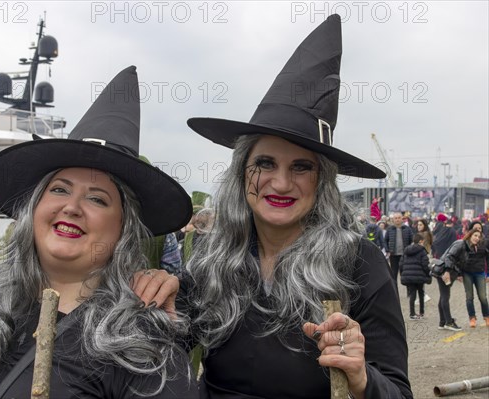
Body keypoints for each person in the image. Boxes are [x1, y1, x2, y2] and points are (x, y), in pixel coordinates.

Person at [174, 15, 411, 398]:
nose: (281, 183)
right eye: (265, 164)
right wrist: (154, 296)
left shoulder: (360, 265)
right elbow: (153, 358)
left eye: (301, 167)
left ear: (323, 182)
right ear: (242, 173)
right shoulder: (210, 258)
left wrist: (362, 377)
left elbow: (398, 393)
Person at [0, 67, 198, 398]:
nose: (73, 206)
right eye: (60, 190)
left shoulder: (144, 348)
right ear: (33, 210)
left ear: (123, 229)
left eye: (97, 198)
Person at [457, 229, 489, 328]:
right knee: (469, 297)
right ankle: (472, 317)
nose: (477, 238)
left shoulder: (483, 246)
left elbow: (488, 259)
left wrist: (488, 274)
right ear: (470, 235)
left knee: (483, 297)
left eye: (478, 237)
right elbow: (459, 260)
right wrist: (459, 274)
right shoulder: (463, 246)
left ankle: (487, 316)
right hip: (467, 273)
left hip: (479, 273)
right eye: (475, 235)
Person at [400, 233, 431, 320]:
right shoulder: (422, 251)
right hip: (419, 276)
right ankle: (421, 312)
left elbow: (401, 263)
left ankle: (412, 313)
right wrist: (428, 273)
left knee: (412, 294)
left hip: (408, 276)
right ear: (421, 241)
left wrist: (403, 273)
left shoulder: (406, 250)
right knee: (421, 293)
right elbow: (425, 264)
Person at [385, 212, 414, 284]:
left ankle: (409, 293)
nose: (397, 219)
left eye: (399, 218)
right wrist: (387, 250)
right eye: (396, 218)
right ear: (393, 219)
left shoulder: (407, 229)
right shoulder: (389, 229)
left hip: (404, 255)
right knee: (393, 275)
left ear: (402, 219)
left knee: (405, 275)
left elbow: (412, 240)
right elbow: (385, 240)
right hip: (393, 255)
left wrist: (409, 251)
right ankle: (395, 293)